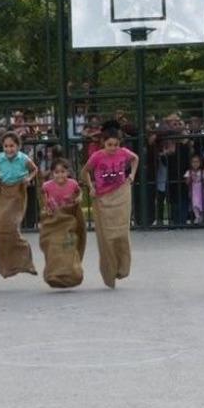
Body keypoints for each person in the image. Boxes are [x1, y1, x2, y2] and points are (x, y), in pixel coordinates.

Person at [81, 122, 138, 288]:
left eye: (116, 144)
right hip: (103, 197)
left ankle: (122, 267)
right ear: (103, 143)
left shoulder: (123, 153)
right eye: (109, 145)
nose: (113, 148)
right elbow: (84, 171)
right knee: (107, 237)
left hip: (120, 195)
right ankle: (109, 271)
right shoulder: (97, 156)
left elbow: (135, 159)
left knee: (121, 233)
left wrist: (132, 175)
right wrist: (91, 187)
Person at [0, 131, 38, 278]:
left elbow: (34, 169)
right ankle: (7, 268)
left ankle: (26, 260)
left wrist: (28, 178)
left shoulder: (23, 159)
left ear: (18, 146)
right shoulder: (0, 158)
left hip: (18, 192)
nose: (9, 149)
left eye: (12, 146)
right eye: (6, 146)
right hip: (3, 191)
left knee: (11, 227)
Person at [39, 158, 86, 288]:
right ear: (52, 173)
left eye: (63, 171)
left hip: (68, 219)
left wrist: (79, 197)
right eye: (57, 172)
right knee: (54, 246)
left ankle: (72, 273)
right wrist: (46, 207)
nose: (60, 175)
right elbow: (43, 198)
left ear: (68, 172)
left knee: (69, 245)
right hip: (55, 220)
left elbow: (79, 192)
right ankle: (54, 273)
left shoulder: (72, 184)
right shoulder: (47, 185)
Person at [183, 154, 204, 224]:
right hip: (193, 190)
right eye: (193, 162)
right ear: (191, 163)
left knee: (202, 204)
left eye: (197, 162)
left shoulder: (202, 172)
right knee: (195, 204)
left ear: (200, 163)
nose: (195, 164)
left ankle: (201, 217)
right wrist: (190, 177)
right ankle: (197, 217)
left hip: (201, 190)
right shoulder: (189, 172)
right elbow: (187, 183)